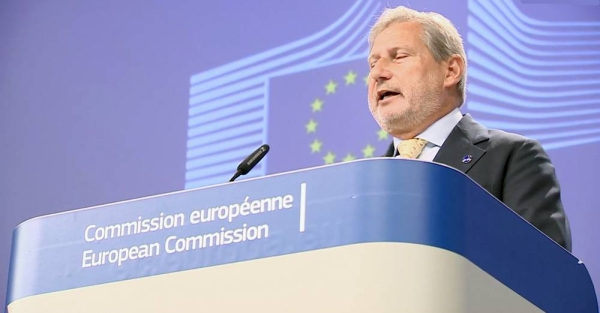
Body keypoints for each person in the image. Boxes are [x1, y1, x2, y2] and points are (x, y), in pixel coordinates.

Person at [366, 6, 572, 251]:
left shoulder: (512, 157)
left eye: (398, 56)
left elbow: (543, 268)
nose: (378, 73)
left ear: (451, 71)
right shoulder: (364, 184)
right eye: (373, 63)